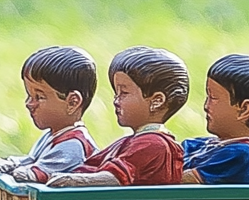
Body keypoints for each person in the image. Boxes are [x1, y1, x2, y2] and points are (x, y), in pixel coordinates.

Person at [47, 47, 189, 187]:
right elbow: (91, 165)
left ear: (157, 101)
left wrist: (76, 180)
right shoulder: (131, 141)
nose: (116, 100)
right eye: (116, 93)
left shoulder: (154, 144)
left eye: (124, 93)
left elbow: (116, 177)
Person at [0, 47, 98, 183]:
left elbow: (40, 173)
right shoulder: (51, 135)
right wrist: (12, 163)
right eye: (29, 95)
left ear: (72, 102)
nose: (29, 103)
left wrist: (20, 173)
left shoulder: (73, 144)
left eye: (39, 97)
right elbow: (32, 160)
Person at [182, 54, 249, 185]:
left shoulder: (241, 154)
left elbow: (181, 182)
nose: (206, 106)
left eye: (213, 98)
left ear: (244, 109)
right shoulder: (204, 144)